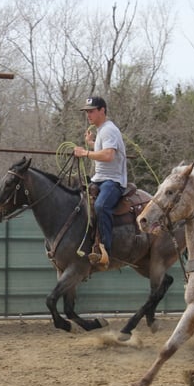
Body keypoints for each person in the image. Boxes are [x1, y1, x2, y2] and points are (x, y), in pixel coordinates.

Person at [73, 96, 128, 270]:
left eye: (91, 111)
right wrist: (91, 143)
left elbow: (108, 155)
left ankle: (105, 250)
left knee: (101, 206)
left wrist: (85, 153)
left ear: (102, 110)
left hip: (113, 181)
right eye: (87, 111)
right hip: (100, 179)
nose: (88, 115)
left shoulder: (108, 130)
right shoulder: (102, 131)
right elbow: (103, 149)